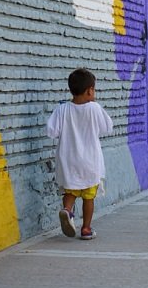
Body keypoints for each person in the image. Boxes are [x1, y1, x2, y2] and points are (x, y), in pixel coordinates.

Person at [47, 68, 113, 240]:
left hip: (68, 160)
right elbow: (107, 127)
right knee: (88, 197)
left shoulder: (62, 109)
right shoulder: (94, 108)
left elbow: (51, 131)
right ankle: (86, 228)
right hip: (90, 162)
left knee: (70, 192)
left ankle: (67, 211)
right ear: (90, 90)